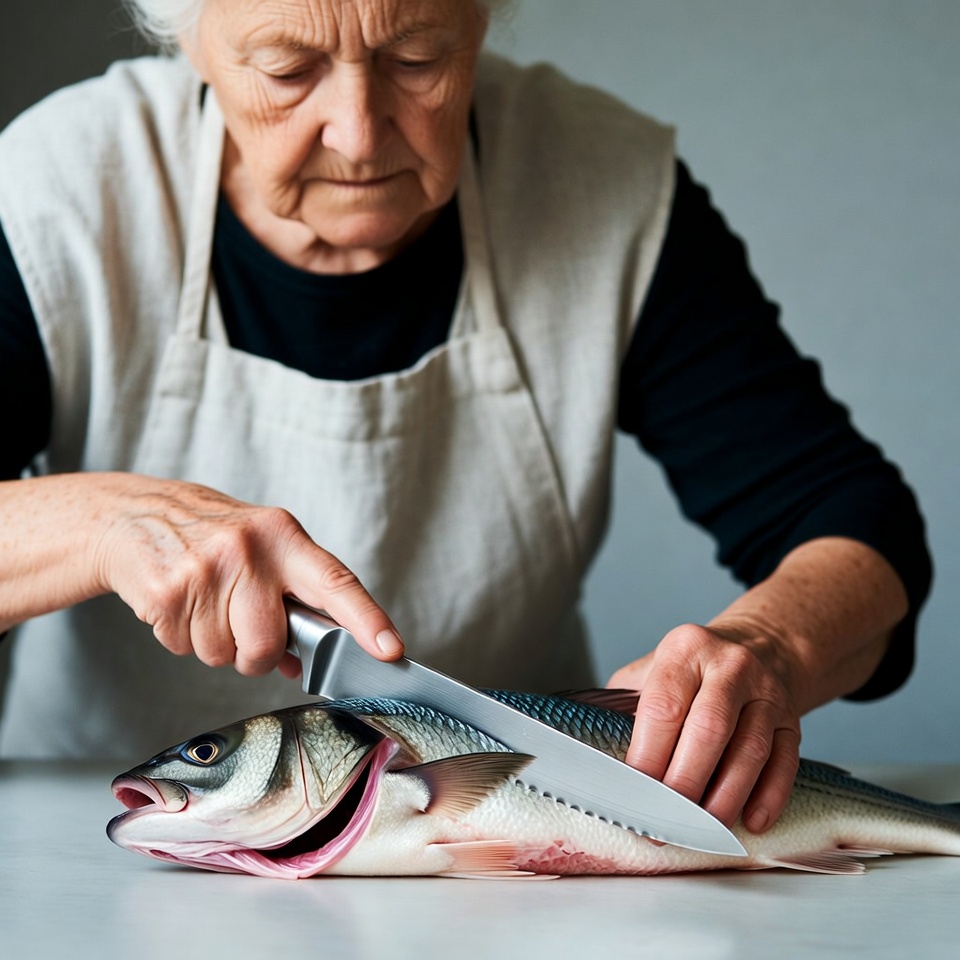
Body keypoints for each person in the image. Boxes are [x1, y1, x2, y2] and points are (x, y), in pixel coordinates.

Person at [0, 0, 930, 838]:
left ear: (483, 24)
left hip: (511, 855)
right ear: (191, 45)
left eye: (416, 58)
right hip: (87, 840)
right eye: (288, 70)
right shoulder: (57, 193)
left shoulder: (607, 187)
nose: (359, 137)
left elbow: (852, 520)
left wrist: (771, 647)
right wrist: (101, 522)